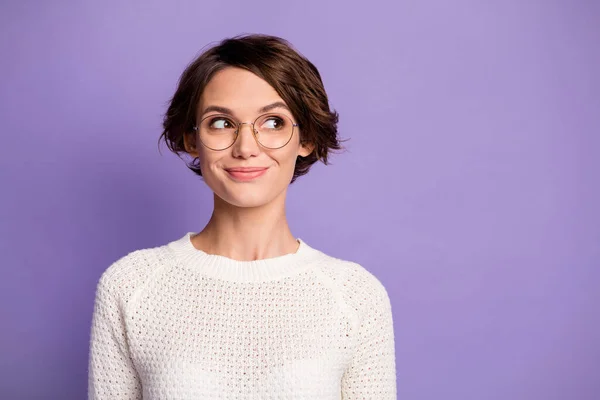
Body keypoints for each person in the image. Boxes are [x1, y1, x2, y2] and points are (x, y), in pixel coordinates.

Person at [87, 34, 396, 399]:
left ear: (306, 139)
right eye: (221, 123)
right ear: (191, 139)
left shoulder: (355, 296)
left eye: (273, 122)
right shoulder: (130, 287)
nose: (246, 148)